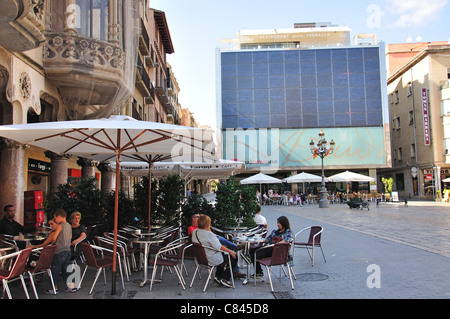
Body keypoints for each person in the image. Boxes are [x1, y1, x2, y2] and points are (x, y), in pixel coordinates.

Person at [188, 213, 246, 279]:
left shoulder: (195, 232)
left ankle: (219, 276)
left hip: (202, 258)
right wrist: (230, 251)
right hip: (211, 258)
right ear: (207, 224)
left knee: (223, 254)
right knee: (234, 257)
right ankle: (225, 278)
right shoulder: (209, 234)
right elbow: (219, 246)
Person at [47, 208, 74, 294]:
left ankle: (54, 287)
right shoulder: (69, 225)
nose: (55, 220)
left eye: (55, 219)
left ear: (58, 217)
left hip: (59, 251)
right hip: (68, 250)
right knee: (67, 269)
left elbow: (54, 238)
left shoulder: (60, 226)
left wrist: (52, 243)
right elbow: (70, 237)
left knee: (56, 269)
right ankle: (71, 286)